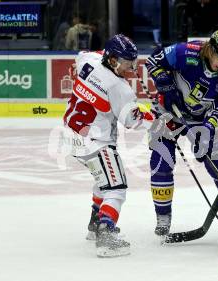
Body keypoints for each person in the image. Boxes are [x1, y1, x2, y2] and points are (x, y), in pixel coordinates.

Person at [145, 29, 218, 236]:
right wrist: (163, 80)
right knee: (161, 162)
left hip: (200, 119)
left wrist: (208, 129)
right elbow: (152, 61)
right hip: (168, 113)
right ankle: (163, 218)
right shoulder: (184, 52)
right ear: (210, 49)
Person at [63, 34, 153, 257]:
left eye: (132, 63)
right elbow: (133, 121)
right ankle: (106, 234)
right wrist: (156, 116)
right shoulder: (119, 88)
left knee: (103, 179)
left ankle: (95, 223)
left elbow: (81, 55)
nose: (130, 69)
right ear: (112, 60)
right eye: (125, 63)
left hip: (71, 136)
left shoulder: (89, 61)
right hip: (95, 143)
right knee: (116, 188)